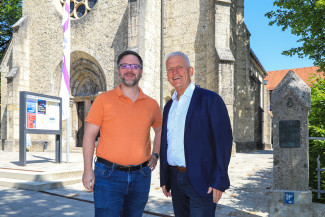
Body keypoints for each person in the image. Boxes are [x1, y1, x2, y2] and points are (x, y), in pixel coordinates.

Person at [82, 50, 162, 217]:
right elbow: (89, 135)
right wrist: (87, 169)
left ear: (141, 71)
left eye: (134, 66)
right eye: (124, 66)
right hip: (107, 176)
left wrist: (155, 154)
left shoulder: (152, 104)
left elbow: (160, 129)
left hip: (141, 177)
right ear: (118, 71)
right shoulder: (103, 99)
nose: (129, 70)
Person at [160, 51, 233, 217]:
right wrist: (164, 178)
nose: (175, 72)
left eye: (179, 67)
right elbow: (166, 143)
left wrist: (219, 179)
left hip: (202, 180)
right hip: (175, 179)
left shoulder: (210, 100)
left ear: (191, 71)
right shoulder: (168, 107)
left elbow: (224, 142)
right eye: (170, 69)